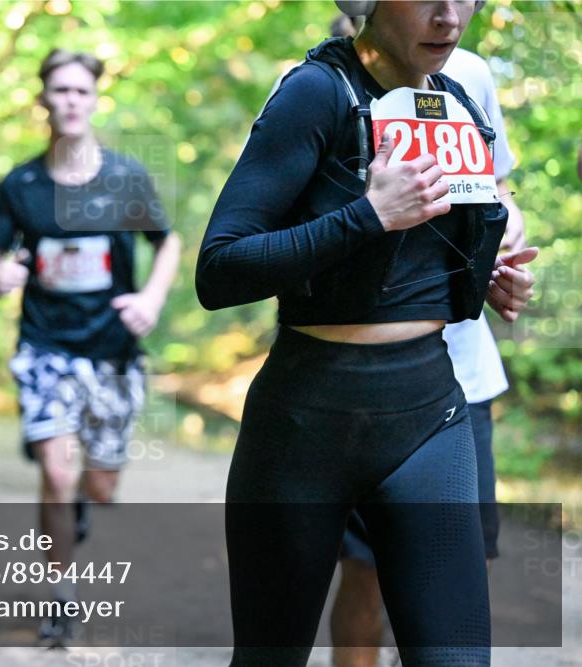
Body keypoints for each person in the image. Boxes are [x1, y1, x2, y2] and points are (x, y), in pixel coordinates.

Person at [195, 2, 536, 665]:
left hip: (428, 417)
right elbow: (221, 269)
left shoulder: (459, 101)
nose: (449, 15)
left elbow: (431, 269)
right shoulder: (316, 92)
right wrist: (370, 215)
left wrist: (485, 275)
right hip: (303, 423)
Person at [330, 33, 530, 667]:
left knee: (457, 580)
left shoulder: (470, 73)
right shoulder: (323, 87)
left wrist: (501, 250)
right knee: (365, 571)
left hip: (465, 379)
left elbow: (498, 193)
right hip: (370, 382)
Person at [0, 48, 181, 645]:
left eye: (80, 92)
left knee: (99, 485)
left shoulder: (124, 178)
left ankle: (82, 510)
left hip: (112, 352)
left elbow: (166, 243)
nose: (69, 100)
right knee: (58, 476)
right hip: (45, 347)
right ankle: (59, 596)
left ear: (94, 100)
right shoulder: (21, 184)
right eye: (59, 90)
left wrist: (150, 299)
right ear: (43, 98)